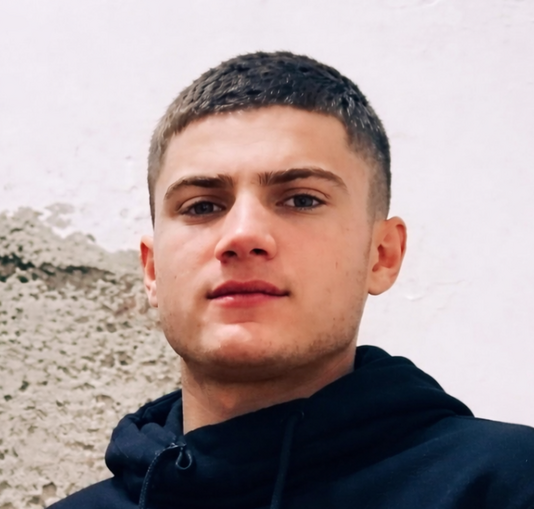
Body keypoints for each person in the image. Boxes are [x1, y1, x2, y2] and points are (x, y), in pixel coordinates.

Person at [51, 51, 534, 509]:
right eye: (202, 206)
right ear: (153, 270)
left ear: (382, 255)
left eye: (301, 199)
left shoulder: (507, 485)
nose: (242, 235)